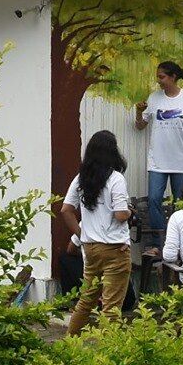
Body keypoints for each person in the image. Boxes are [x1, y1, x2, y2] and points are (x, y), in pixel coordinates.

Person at [58, 130, 132, 336]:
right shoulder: (116, 178)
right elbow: (119, 215)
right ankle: (110, 355)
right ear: (113, 152)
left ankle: (69, 343)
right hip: (115, 248)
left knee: (86, 300)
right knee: (111, 306)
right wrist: (129, 211)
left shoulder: (81, 178)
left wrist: (82, 235)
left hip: (90, 249)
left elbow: (66, 210)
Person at [133, 60, 183, 237]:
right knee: (154, 200)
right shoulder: (154, 98)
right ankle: (158, 242)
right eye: (158, 77)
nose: (159, 80)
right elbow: (140, 126)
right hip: (158, 161)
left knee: (180, 203)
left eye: (161, 77)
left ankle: (178, 240)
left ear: (173, 77)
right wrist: (139, 112)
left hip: (181, 160)